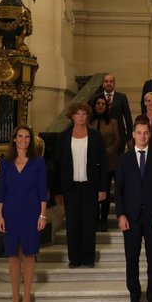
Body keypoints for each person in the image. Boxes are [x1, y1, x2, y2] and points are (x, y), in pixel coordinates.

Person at [115, 117, 152, 302]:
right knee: (132, 260)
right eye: (139, 132)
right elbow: (118, 190)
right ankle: (134, 298)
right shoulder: (124, 159)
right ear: (133, 135)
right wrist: (120, 215)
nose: (142, 136)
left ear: (150, 135)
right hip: (130, 218)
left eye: (146, 133)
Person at [0, 125, 47, 302]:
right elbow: (1, 191)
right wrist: (0, 215)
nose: (23, 140)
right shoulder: (6, 163)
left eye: (27, 137)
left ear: (30, 140)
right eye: (20, 136)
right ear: (14, 139)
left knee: (28, 255)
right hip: (10, 213)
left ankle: (26, 298)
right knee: (13, 256)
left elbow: (42, 190)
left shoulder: (38, 162)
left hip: (31, 213)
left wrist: (42, 215)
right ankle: (15, 299)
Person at [52, 101, 108, 269]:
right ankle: (74, 258)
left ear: (88, 116)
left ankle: (88, 258)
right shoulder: (63, 137)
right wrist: (57, 191)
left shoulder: (95, 136)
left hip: (90, 187)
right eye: (78, 114)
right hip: (70, 187)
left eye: (84, 114)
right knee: (73, 224)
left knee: (89, 224)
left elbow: (103, 164)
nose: (81, 117)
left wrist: (103, 188)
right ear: (72, 116)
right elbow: (57, 165)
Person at [89, 94, 120, 232]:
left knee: (105, 191)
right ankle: (95, 219)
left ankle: (103, 220)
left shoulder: (112, 122)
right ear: (94, 106)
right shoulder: (88, 122)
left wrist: (107, 151)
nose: (100, 106)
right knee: (93, 192)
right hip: (92, 162)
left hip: (109, 161)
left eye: (103, 104)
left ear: (106, 106)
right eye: (98, 103)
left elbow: (117, 140)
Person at [102, 74, 133, 151]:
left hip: (119, 135)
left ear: (114, 84)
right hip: (102, 135)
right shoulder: (98, 97)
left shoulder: (122, 97)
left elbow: (128, 118)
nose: (108, 83)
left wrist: (129, 137)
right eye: (106, 81)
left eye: (111, 81)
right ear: (103, 84)